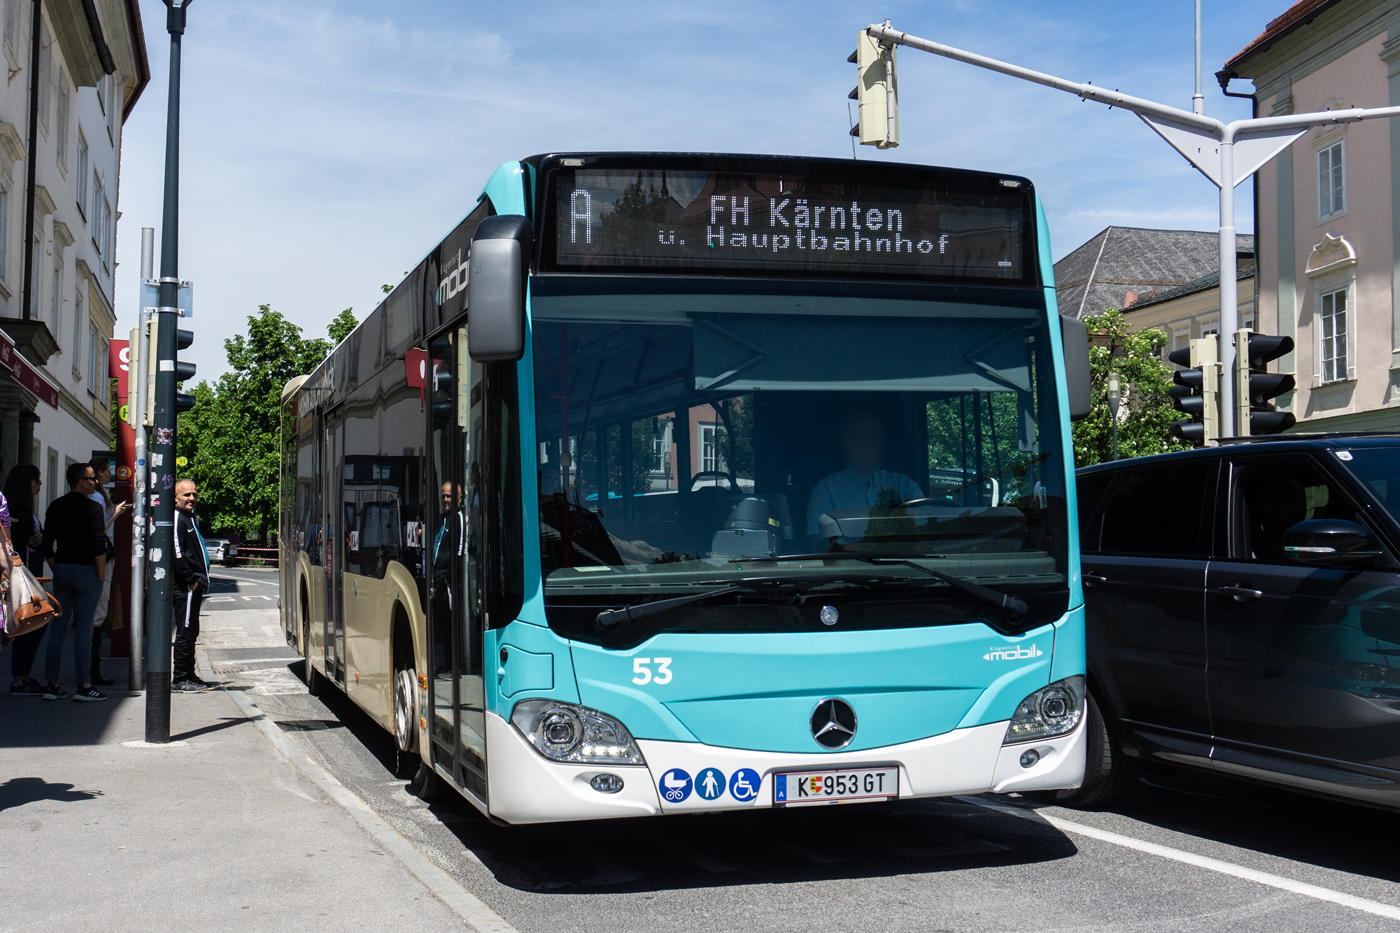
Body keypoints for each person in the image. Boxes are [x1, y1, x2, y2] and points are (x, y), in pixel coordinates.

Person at [807, 410, 924, 550]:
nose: (872, 444)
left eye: (877, 437)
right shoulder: (826, 490)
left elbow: (930, 533)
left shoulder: (905, 486)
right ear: (844, 442)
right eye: (862, 437)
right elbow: (822, 548)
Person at [40, 462, 108, 702]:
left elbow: (46, 543)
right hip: (87, 571)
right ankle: (84, 685)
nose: (96, 483)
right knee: (84, 630)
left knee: (57, 628)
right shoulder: (93, 508)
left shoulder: (56, 506)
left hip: (63, 570)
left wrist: (56, 566)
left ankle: (52, 684)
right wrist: (99, 576)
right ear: (81, 482)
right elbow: (99, 546)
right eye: (91, 479)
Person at [86, 456, 130, 686]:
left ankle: (91, 670)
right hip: (102, 555)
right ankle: (92, 671)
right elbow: (98, 529)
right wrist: (116, 514)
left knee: (97, 611)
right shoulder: (96, 498)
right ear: (99, 473)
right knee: (98, 611)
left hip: (100, 554)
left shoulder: (96, 496)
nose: (110, 475)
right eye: (106, 472)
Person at [5, 465, 47, 696]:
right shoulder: (16, 508)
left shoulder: (25, 508)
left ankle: (24, 676)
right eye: (36, 480)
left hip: (30, 574)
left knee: (34, 624)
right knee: (27, 624)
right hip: (22, 576)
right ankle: (19, 679)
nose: (40, 484)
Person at [172, 478, 213, 692]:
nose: (192, 498)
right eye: (187, 495)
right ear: (175, 497)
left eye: (194, 494)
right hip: (185, 586)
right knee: (185, 630)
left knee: (192, 630)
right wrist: (191, 579)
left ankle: (189, 674)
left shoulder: (191, 518)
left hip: (193, 584)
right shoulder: (177, 518)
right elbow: (177, 552)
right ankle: (180, 678)